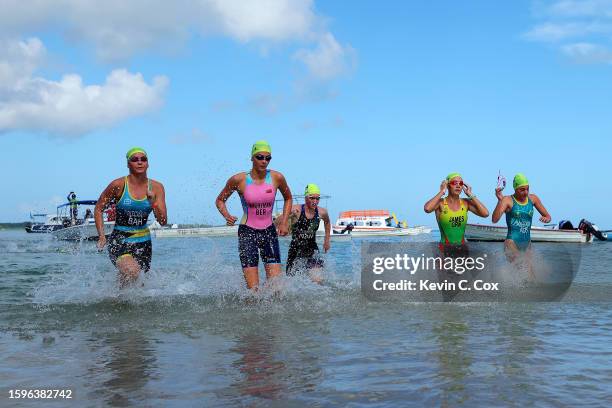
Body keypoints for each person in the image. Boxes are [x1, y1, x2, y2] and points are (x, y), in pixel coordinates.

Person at [215, 140, 292, 290]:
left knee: (277, 288)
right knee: (253, 291)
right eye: (260, 157)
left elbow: (288, 198)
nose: (264, 161)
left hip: (269, 231)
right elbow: (219, 200)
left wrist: (284, 222)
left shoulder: (277, 178)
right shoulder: (239, 180)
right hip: (247, 233)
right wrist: (227, 215)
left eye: (268, 158)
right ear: (252, 158)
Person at [94, 147, 167, 287]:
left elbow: (163, 221)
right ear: (128, 164)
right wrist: (102, 236)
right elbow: (98, 208)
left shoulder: (157, 187)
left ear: (148, 163)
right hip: (120, 239)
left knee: (139, 284)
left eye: (143, 159)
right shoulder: (118, 185)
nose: (139, 162)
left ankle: (115, 298)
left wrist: (153, 203)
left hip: (144, 242)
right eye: (135, 159)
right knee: (133, 272)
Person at [424, 173, 489, 256]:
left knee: (464, 269)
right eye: (454, 183)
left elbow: (485, 213)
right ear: (447, 185)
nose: (458, 186)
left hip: (463, 248)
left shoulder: (466, 203)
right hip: (444, 249)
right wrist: (441, 191)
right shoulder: (440, 203)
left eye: (461, 183)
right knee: (445, 269)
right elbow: (427, 208)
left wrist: (470, 194)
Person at [492, 173, 551, 261]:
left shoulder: (533, 199)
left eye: (527, 189)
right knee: (519, 269)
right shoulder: (507, 200)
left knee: (530, 273)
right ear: (515, 189)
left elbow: (547, 216)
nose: (526, 192)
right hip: (512, 243)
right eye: (522, 190)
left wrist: (546, 219)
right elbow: (494, 219)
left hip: (527, 243)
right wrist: (500, 201)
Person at [285, 184, 331, 283]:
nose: (315, 201)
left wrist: (327, 240)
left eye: (317, 198)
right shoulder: (295, 210)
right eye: (312, 198)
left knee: (317, 280)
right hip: (295, 250)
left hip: (312, 250)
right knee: (290, 281)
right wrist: (287, 220)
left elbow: (327, 223)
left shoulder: (322, 212)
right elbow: (279, 221)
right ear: (305, 197)